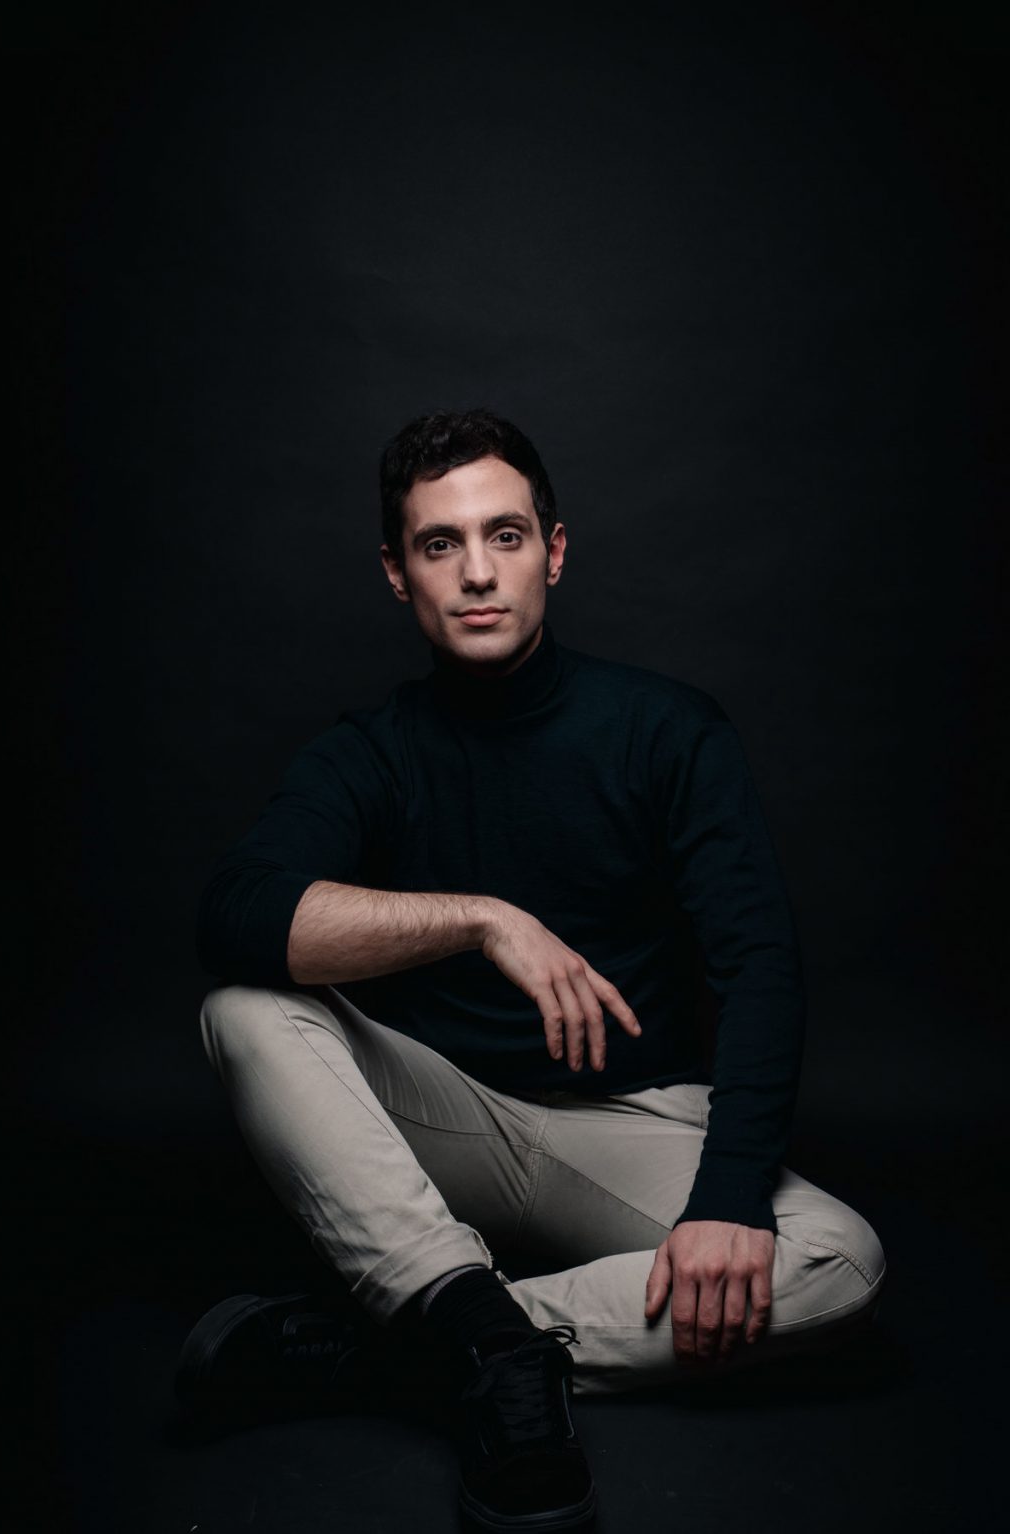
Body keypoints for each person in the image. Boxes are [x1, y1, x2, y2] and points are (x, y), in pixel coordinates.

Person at [177, 408, 886, 1531]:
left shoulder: (666, 729)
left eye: (504, 536)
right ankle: (474, 1339)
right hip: (444, 1122)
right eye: (440, 543)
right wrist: (481, 920)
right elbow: (236, 915)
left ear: (552, 551)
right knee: (247, 1007)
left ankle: (425, 1342)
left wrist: (728, 1200)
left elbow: (760, 967)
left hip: (640, 1122)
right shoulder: (371, 752)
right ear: (397, 572)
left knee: (839, 1261)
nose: (477, 573)